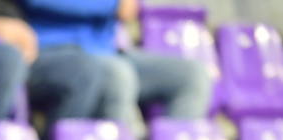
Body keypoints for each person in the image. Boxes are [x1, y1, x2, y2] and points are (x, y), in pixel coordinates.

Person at [21, 0, 211, 128]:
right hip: (51, 53)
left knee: (192, 75)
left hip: (107, 51)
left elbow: (129, 9)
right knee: (118, 73)